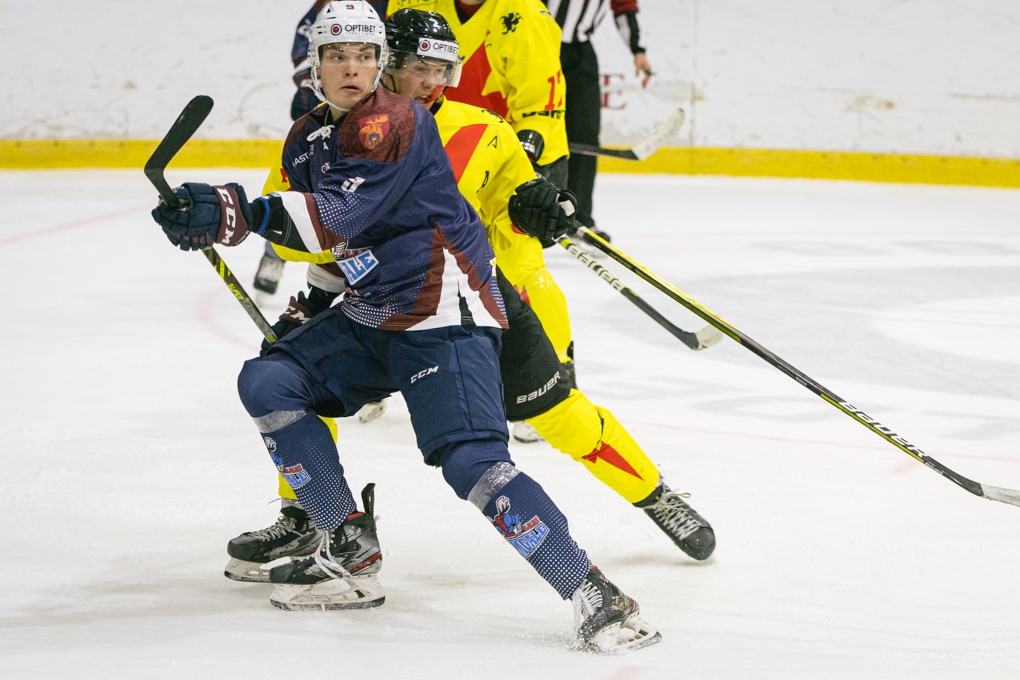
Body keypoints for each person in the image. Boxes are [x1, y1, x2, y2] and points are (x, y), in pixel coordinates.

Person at [151, 0, 658, 652]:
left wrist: (230, 211)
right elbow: (336, 251)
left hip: (444, 308)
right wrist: (301, 301)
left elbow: (339, 217)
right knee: (270, 380)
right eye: (338, 55)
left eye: (365, 55)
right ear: (313, 65)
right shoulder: (306, 137)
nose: (352, 68)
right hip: (374, 309)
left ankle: (596, 595)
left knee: (472, 463)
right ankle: (348, 547)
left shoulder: (397, 121)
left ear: (382, 64)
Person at [227, 7, 715, 587]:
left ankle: (655, 495)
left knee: (560, 415)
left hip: (481, 301)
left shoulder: (483, 130)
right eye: (419, 68)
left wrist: (538, 206)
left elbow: (518, 209)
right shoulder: (330, 135)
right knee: (291, 377)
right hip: (380, 301)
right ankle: (309, 517)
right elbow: (306, 221)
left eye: (443, 70)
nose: (433, 83)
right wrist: (309, 300)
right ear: (388, 66)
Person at [543, 0, 653, 243]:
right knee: (532, 129)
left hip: (580, 53)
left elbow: (624, 5)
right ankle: (523, 209)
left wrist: (638, 49)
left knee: (585, 137)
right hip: (534, 47)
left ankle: (577, 218)